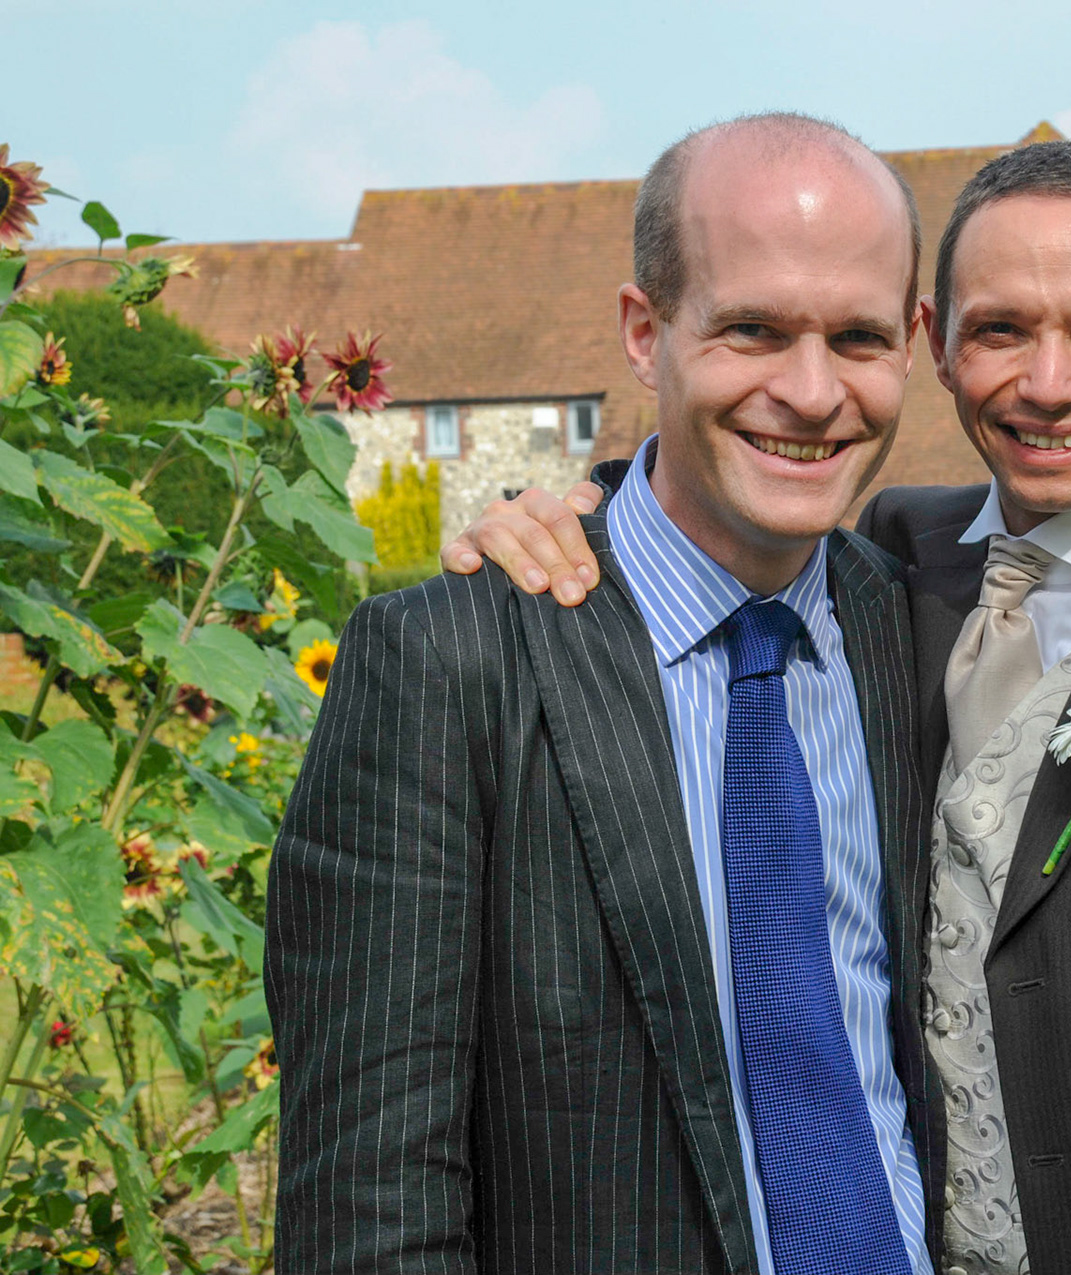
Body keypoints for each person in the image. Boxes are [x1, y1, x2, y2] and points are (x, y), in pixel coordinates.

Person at [448, 140, 1071, 1273]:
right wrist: (569, 523)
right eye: (1001, 331)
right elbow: (706, 517)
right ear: (935, 343)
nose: (1048, 383)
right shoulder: (887, 567)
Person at [266, 114, 942, 1275]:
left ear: (913, 343)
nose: (812, 391)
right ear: (644, 332)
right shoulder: (448, 667)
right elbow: (370, 1207)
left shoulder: (916, 630)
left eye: (858, 339)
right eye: (752, 330)